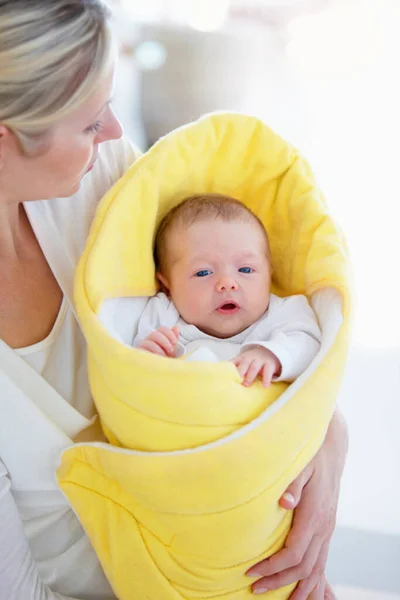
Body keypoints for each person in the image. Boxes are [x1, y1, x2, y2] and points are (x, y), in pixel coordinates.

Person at [0, 1, 348, 599]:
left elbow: (259, 328)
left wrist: (325, 440)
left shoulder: (101, 177)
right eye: (89, 121)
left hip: (234, 554)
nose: (113, 131)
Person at [135, 193, 322, 389]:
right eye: (203, 272)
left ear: (269, 275)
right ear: (167, 286)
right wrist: (150, 356)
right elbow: (131, 364)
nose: (227, 283)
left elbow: (312, 347)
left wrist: (272, 355)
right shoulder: (163, 316)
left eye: (246, 269)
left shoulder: (285, 313)